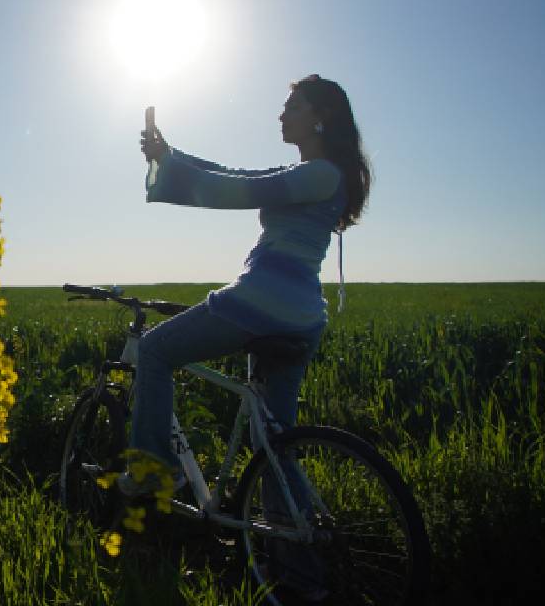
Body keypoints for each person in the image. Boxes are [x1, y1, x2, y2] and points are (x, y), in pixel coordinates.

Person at [125, 74, 371, 599]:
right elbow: (241, 173)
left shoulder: (321, 175)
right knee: (274, 442)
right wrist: (172, 153)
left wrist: (170, 168)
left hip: (261, 304)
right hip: (300, 316)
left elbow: (240, 190)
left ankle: (152, 477)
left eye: (292, 107)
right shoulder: (317, 172)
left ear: (320, 117)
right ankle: (303, 579)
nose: (281, 116)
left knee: (154, 351)